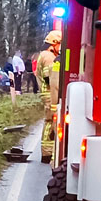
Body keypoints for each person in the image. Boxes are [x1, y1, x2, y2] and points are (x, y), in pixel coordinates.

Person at [37, 30, 62, 163]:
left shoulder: (45, 55)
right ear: (54, 43)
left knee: (49, 122)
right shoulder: (48, 57)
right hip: (49, 94)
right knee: (50, 123)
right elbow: (50, 79)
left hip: (47, 94)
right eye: (59, 44)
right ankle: (47, 153)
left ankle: (47, 152)